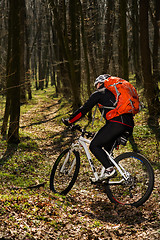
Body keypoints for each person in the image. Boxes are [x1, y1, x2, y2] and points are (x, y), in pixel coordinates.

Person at [63, 74, 134, 181]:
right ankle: (105, 178)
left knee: (94, 146)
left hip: (116, 124)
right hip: (128, 125)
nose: (96, 87)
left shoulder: (99, 93)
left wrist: (70, 120)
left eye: (96, 85)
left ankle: (110, 170)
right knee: (105, 150)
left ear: (100, 83)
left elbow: (84, 109)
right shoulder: (117, 95)